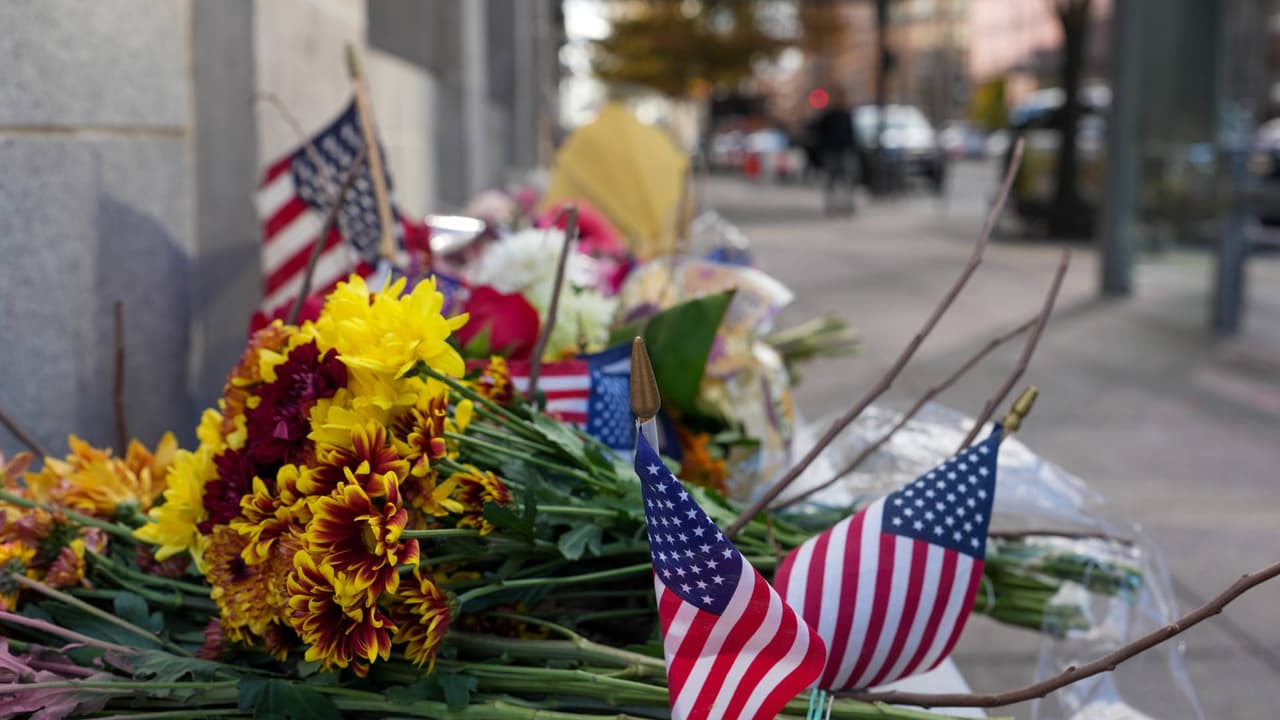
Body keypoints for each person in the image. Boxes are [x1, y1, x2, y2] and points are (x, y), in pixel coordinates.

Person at [814, 89, 860, 215]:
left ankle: (847, 204)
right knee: (831, 180)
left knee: (848, 179)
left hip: (845, 151)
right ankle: (831, 204)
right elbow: (820, 134)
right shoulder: (828, 116)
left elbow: (852, 134)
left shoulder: (846, 115)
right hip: (831, 152)